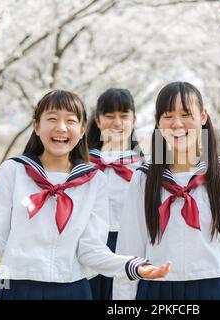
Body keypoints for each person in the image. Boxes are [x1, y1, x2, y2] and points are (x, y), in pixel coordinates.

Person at [0, 89, 170, 300]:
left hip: (73, 290)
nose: (61, 128)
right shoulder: (14, 171)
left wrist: (132, 265)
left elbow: (90, 251)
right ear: (36, 125)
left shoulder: (94, 180)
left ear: (83, 129)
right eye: (52, 119)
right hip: (17, 286)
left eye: (71, 121)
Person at [113, 82, 220, 300]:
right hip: (156, 290)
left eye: (186, 114)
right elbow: (128, 252)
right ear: (158, 121)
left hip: (215, 288)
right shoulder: (144, 179)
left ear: (202, 117)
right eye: (168, 115)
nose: (177, 123)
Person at [86, 88, 144, 300]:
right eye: (109, 116)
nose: (117, 122)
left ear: (134, 119)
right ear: (98, 121)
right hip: (89, 242)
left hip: (129, 243)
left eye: (124, 116)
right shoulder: (82, 164)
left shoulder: (144, 167)